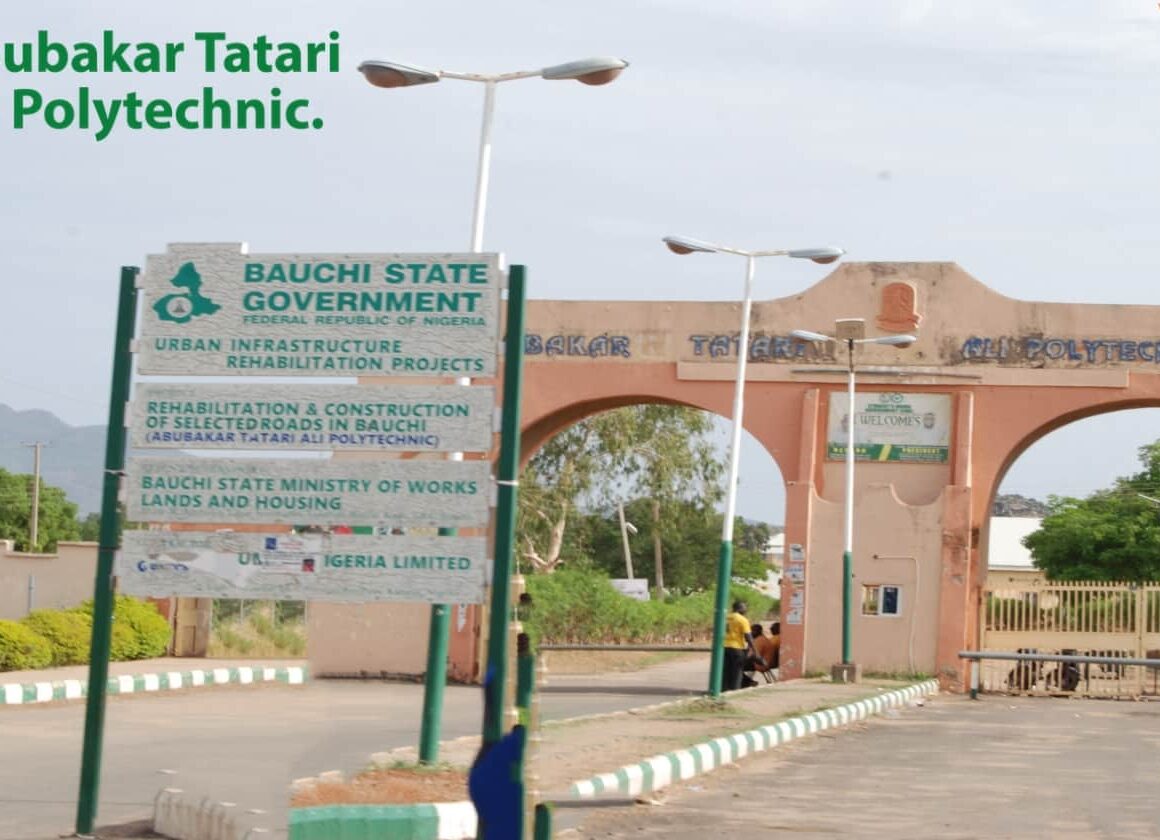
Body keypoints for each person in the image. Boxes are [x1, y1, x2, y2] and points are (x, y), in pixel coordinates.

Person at [723, 600, 760, 691]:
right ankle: (735, 690)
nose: (746, 610)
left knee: (726, 671)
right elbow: (749, 637)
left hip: (724, 647)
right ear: (739, 608)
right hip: (737, 648)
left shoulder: (726, 617)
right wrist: (755, 651)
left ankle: (724, 690)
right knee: (737, 672)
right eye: (745, 608)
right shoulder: (742, 620)